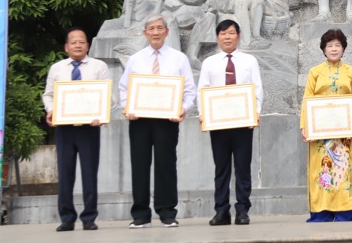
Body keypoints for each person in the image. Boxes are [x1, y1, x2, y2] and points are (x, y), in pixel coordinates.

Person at [119, 15, 197, 228]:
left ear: (166, 32)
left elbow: (190, 90)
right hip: (140, 120)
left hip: (167, 120)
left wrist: (182, 109)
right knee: (140, 166)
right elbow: (124, 88)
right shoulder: (136, 59)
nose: (155, 32)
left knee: (166, 165)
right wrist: (128, 108)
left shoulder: (179, 58)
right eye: (151, 28)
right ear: (145, 33)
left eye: (159, 28)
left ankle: (167, 212)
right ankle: (140, 214)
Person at [42, 27, 109, 232]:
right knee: (65, 173)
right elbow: (48, 95)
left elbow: (107, 95)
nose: (78, 45)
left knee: (89, 173)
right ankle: (67, 218)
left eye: (82, 41)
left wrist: (101, 115)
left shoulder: (99, 67)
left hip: (89, 128)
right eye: (74, 42)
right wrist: (51, 111)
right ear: (66, 46)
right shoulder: (57, 68)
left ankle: (89, 217)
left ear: (88, 45)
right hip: (64, 128)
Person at [198, 19, 263, 226]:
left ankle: (242, 210)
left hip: (243, 122)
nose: (227, 37)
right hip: (218, 124)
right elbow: (203, 90)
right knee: (222, 168)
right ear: (218, 37)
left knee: (243, 167)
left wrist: (256, 112)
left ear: (238, 36)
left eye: (232, 33)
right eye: (223, 33)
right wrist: (203, 114)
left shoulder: (249, 60)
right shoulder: (209, 62)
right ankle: (221, 211)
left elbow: (257, 88)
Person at [299, 29, 352, 221]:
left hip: (344, 135)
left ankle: (345, 211)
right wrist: (305, 126)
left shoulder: (351, 72)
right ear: (323, 49)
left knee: (344, 170)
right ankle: (321, 213)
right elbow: (307, 99)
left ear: (343, 48)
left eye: (337, 45)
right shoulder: (315, 72)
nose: (334, 49)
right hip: (320, 135)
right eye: (329, 45)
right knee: (321, 170)